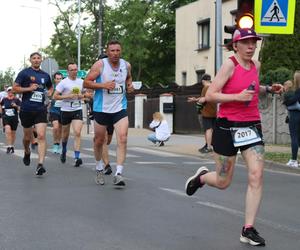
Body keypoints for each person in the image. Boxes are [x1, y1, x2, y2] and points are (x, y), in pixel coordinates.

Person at [185, 28, 283, 247]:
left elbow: (252, 89)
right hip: (227, 126)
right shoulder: (230, 64)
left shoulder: (256, 65)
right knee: (222, 181)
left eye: (254, 42)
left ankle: (248, 229)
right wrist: (236, 98)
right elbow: (211, 95)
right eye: (246, 43)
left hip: (251, 126)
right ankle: (201, 178)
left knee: (256, 175)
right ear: (236, 45)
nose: (251, 47)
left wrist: (268, 88)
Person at [83, 40, 134, 186]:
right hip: (101, 109)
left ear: (121, 51)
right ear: (107, 52)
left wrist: (129, 85)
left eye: (118, 50)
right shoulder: (100, 65)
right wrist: (103, 85)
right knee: (99, 140)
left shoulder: (126, 65)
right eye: (112, 51)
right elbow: (86, 83)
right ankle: (99, 167)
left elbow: (128, 77)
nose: (115, 53)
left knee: (123, 138)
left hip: (119, 108)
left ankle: (119, 173)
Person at [12, 52, 53, 176]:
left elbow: (50, 87)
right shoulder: (24, 73)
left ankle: (40, 164)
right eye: (34, 58)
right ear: (30, 60)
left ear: (41, 60)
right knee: (27, 138)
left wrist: (49, 93)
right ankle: (27, 150)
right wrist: (28, 89)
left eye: (38, 58)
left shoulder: (45, 75)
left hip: (40, 109)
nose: (36, 60)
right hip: (26, 109)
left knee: (41, 136)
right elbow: (15, 88)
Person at [53, 63, 91, 167]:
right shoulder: (63, 83)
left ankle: (77, 157)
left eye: (76, 69)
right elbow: (55, 96)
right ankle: (64, 149)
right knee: (65, 135)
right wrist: (68, 96)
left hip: (77, 109)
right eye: (72, 70)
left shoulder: (81, 82)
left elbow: (88, 96)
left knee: (77, 132)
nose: (75, 71)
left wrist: (82, 95)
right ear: (68, 71)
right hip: (65, 110)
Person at [188, 74, 217, 153]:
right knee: (212, 130)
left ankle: (208, 147)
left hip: (207, 112)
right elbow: (207, 98)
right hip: (215, 112)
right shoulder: (214, 87)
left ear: (203, 81)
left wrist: (197, 101)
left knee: (208, 129)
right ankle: (210, 145)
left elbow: (203, 100)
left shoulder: (205, 88)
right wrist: (196, 99)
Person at [283, 72, 300, 168]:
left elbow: (290, 102)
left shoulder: (297, 91)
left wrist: (286, 102)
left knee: (294, 138)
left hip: (295, 116)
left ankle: (293, 160)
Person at [0, 87, 21, 153]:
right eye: (9, 91)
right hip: (6, 117)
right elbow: (0, 105)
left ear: (13, 92)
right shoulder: (4, 99)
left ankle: (11, 145)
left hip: (14, 118)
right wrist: (1, 113)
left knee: (13, 133)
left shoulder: (17, 100)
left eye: (11, 91)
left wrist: (16, 106)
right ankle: (9, 146)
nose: (10, 93)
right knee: (8, 131)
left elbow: (20, 109)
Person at [49, 72, 63, 154]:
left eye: (60, 79)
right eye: (57, 79)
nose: (59, 80)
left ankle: (58, 144)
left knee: (60, 129)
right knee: (55, 127)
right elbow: (47, 96)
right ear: (54, 79)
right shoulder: (52, 88)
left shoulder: (65, 87)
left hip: (63, 110)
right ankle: (55, 143)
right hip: (54, 110)